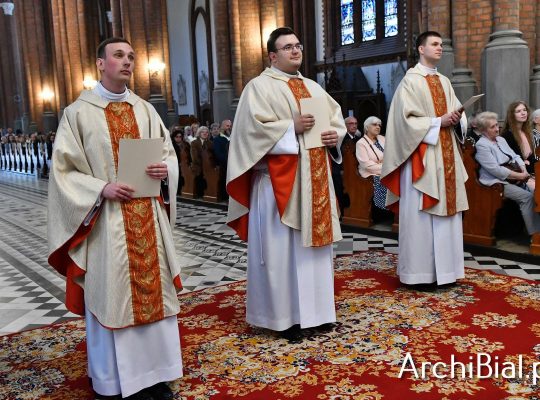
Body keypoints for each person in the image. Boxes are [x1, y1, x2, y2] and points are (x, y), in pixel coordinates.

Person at [47, 37, 182, 400]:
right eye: (119, 56)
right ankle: (115, 380)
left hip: (148, 217)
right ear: (100, 64)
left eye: (131, 56)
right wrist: (100, 188)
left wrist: (163, 169)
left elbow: (168, 154)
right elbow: (63, 172)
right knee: (113, 296)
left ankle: (155, 375)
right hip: (107, 221)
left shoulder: (146, 110)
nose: (127, 61)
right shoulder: (77, 113)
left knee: (155, 295)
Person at [226, 27, 346, 342]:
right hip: (278, 184)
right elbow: (248, 134)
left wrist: (336, 137)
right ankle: (284, 319)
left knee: (314, 254)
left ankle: (317, 314)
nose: (295, 51)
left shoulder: (313, 88)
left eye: (298, 45)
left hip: (315, 180)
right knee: (282, 253)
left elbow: (334, 122)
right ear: (272, 55)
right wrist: (289, 128)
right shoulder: (258, 88)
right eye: (287, 47)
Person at [381, 31, 468, 289]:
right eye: (434, 44)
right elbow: (402, 122)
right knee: (421, 217)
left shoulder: (444, 81)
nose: (440, 48)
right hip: (421, 157)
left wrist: (457, 119)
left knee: (447, 216)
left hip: (446, 155)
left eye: (442, 44)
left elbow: (457, 113)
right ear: (421, 48)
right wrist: (436, 122)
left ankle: (448, 272)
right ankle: (419, 274)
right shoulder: (410, 82)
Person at [475, 111, 540, 234]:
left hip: (515, 176)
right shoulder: (482, 145)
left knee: (538, 193)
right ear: (483, 130)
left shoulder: (500, 140)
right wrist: (520, 176)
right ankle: (535, 235)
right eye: (492, 127)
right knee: (527, 197)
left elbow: (515, 156)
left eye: (496, 125)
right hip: (497, 182)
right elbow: (496, 170)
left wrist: (524, 170)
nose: (497, 129)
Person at [356, 116, 387, 210]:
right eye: (374, 125)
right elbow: (367, 165)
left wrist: (381, 163)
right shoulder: (361, 143)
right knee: (388, 180)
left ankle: (398, 209)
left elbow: (391, 155)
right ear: (366, 127)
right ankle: (386, 209)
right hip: (369, 174)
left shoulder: (382, 138)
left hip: (383, 169)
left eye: (379, 125)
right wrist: (386, 166)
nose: (378, 127)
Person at [331, 115, 360, 216]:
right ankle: (343, 212)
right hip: (341, 169)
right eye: (351, 124)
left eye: (356, 123)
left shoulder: (358, 138)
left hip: (355, 168)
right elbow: (337, 155)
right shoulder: (341, 138)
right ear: (345, 125)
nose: (354, 126)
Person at [501, 101, 536, 173]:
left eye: (524, 110)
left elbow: (531, 158)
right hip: (519, 173)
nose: (523, 113)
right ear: (512, 115)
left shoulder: (526, 132)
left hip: (531, 169)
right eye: (518, 111)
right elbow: (512, 160)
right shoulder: (507, 134)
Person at [190, 125, 213, 197]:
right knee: (200, 174)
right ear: (199, 133)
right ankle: (200, 193)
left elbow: (212, 156)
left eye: (206, 132)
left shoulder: (210, 143)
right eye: (203, 132)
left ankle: (209, 193)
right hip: (198, 165)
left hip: (208, 166)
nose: (205, 133)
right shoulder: (194, 143)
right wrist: (204, 164)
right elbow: (194, 156)